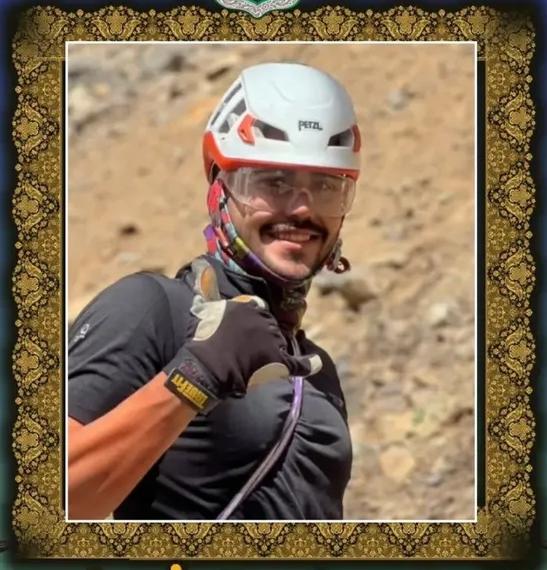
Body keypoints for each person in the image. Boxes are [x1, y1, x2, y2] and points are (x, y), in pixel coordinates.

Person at [67, 62, 362, 521]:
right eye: (273, 182)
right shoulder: (152, 310)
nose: (302, 209)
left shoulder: (318, 371)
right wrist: (196, 375)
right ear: (219, 189)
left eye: (327, 186)